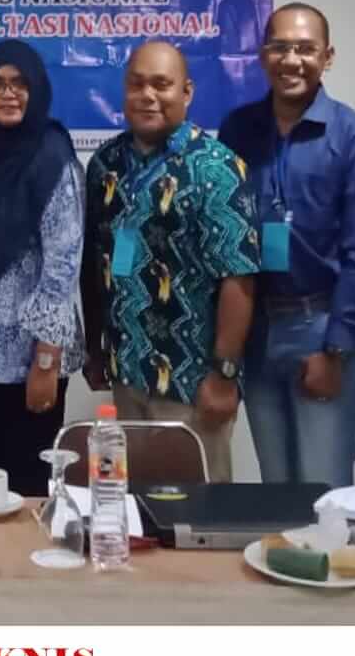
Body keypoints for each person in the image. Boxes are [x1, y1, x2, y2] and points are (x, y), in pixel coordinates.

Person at [219, 2, 355, 488]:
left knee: (322, 485)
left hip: (322, 324)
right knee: (277, 486)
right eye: (279, 47)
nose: (291, 60)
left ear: (327, 57)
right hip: (256, 330)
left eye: (305, 48)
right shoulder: (238, 131)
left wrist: (335, 348)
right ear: (262, 55)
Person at [80, 41, 259, 482]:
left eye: (161, 84)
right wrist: (96, 348)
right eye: (137, 84)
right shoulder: (105, 164)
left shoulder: (215, 167)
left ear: (187, 92)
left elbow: (239, 278)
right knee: (131, 504)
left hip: (192, 383)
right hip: (127, 371)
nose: (148, 96)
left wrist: (224, 375)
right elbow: (96, 262)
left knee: (198, 511)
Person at [0, 40, 84, 498]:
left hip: (32, 358)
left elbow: (62, 266)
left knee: (32, 489)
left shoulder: (52, 159)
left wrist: (46, 360)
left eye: (20, 83)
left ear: (37, 90)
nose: (8, 94)